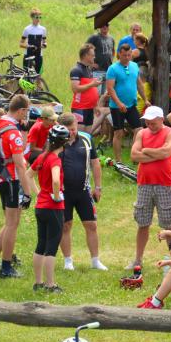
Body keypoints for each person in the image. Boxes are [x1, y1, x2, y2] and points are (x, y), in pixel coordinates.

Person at [0, 94, 39, 278]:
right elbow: (20, 164)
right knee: (12, 225)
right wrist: (28, 193)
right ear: (21, 110)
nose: (27, 115)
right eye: (27, 111)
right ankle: (6, 267)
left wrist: (23, 129)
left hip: (1, 178)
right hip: (12, 181)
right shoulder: (13, 133)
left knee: (8, 223)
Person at [129, 106, 171, 269]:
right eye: (147, 122)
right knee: (142, 223)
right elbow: (134, 155)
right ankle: (138, 260)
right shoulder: (142, 133)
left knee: (169, 224)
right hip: (144, 183)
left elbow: (166, 153)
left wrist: (146, 150)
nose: (150, 125)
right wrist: (157, 154)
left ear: (161, 120)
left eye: (153, 123)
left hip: (164, 183)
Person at [56, 112, 106, 272]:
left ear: (77, 125)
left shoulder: (86, 138)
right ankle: (68, 261)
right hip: (63, 192)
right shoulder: (56, 140)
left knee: (91, 225)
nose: (71, 133)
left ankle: (95, 261)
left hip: (84, 190)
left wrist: (98, 187)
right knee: (65, 226)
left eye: (73, 129)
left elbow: (95, 163)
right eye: (67, 130)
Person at [30, 123, 70, 293]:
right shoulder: (55, 160)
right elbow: (55, 180)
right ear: (64, 143)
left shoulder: (42, 157)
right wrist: (56, 196)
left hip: (41, 206)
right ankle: (50, 284)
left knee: (41, 244)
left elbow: (28, 175)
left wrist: (39, 193)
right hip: (53, 207)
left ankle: (38, 282)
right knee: (51, 247)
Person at [106, 43, 149, 160]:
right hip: (117, 106)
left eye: (129, 55)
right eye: (124, 55)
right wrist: (119, 103)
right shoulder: (113, 69)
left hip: (131, 105)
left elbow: (139, 84)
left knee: (138, 130)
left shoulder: (134, 66)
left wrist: (145, 99)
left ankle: (134, 156)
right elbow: (110, 89)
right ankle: (118, 160)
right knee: (118, 133)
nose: (127, 57)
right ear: (119, 54)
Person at [70, 44, 101, 134]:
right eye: (92, 55)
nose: (94, 57)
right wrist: (92, 84)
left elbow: (91, 89)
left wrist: (95, 105)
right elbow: (75, 89)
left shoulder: (88, 69)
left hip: (89, 108)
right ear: (86, 56)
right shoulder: (76, 70)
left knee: (87, 135)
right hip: (80, 108)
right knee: (79, 135)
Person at [20, 8, 47, 74]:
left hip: (39, 55)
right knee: (26, 75)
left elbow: (45, 43)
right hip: (28, 55)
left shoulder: (43, 29)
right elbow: (21, 44)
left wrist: (44, 45)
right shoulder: (27, 29)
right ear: (32, 18)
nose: (38, 19)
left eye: (40, 17)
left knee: (38, 76)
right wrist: (29, 46)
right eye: (37, 17)